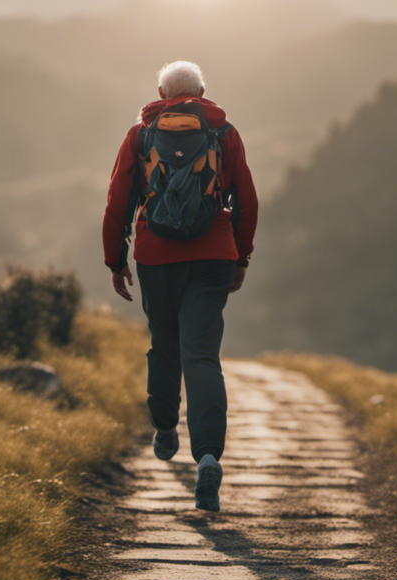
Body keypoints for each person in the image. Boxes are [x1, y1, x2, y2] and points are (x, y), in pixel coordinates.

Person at [102, 61, 258, 512]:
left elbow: (117, 200)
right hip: (213, 257)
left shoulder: (140, 134)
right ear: (203, 92)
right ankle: (208, 456)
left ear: (160, 91)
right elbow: (246, 201)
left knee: (165, 345)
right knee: (203, 357)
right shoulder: (224, 133)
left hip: (156, 256)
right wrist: (240, 258)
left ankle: (166, 426)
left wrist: (116, 261)